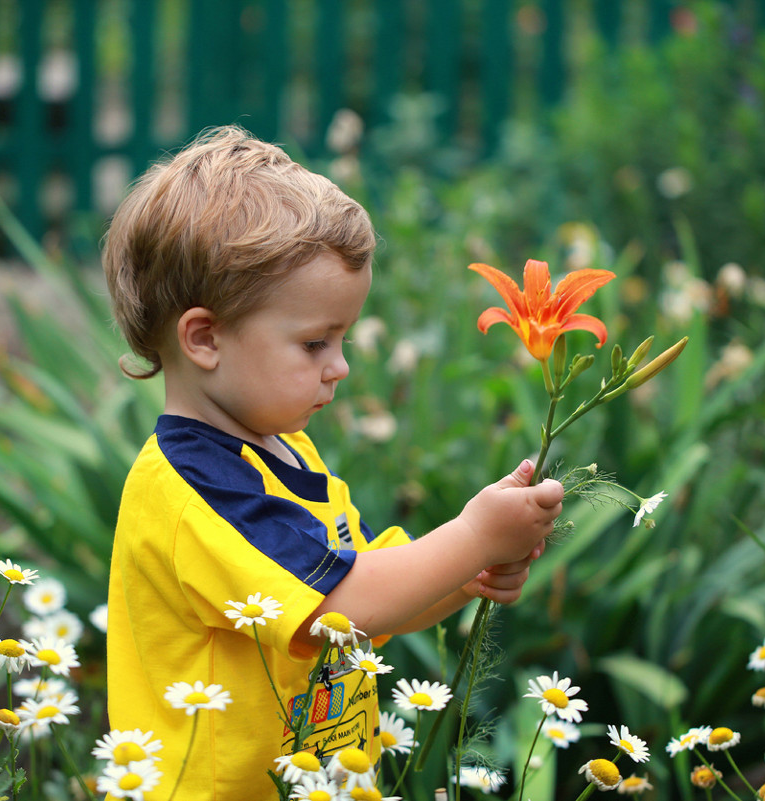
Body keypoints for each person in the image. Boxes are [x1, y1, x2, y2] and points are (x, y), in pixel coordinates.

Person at [102, 125, 564, 799]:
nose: (341, 366)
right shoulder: (197, 488)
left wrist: (466, 576)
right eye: (315, 342)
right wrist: (472, 536)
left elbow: (366, 605)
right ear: (205, 338)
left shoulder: (283, 449)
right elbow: (342, 604)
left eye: (341, 338)